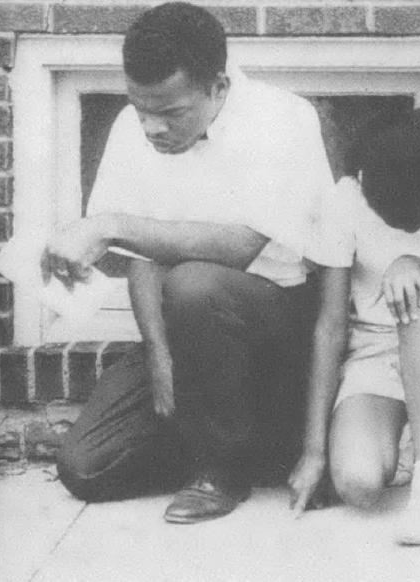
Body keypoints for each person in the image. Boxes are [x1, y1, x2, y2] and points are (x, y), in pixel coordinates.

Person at [46, 2, 337, 524]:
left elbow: (242, 245)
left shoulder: (284, 119)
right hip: (188, 336)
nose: (152, 127)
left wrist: (110, 224)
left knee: (195, 284)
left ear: (218, 88)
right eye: (141, 109)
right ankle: (261, 445)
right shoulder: (131, 127)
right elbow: (142, 260)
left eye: (170, 113)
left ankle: (224, 467)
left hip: (276, 331)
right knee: (84, 466)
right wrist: (160, 358)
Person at [288, 108, 420, 545]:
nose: (413, 227)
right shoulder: (347, 197)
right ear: (365, 178)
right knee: (359, 486)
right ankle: (410, 433)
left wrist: (418, 265)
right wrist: (313, 453)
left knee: (414, 295)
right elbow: (330, 326)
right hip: (372, 355)